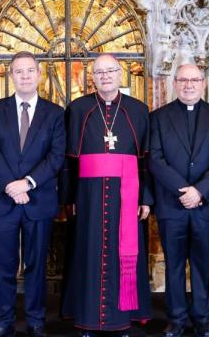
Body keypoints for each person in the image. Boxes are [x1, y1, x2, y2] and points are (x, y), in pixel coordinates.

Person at [60, 53, 152, 335]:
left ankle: (123, 317)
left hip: (127, 195)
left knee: (125, 252)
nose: (105, 76)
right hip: (88, 196)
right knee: (88, 252)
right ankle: (87, 317)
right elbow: (68, 161)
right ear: (93, 78)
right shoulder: (77, 109)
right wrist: (68, 199)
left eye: (110, 71)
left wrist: (146, 198)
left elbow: (147, 160)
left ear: (120, 73)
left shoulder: (138, 109)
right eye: (99, 73)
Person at [0, 52, 66, 337]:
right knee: (4, 267)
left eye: (30, 71)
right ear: (11, 75)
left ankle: (35, 321)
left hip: (38, 200)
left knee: (36, 265)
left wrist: (27, 183)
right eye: (20, 71)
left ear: (39, 74)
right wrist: (11, 185)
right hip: (3, 200)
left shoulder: (55, 113)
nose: (25, 76)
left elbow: (56, 157)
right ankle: (4, 321)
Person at [149, 63, 209, 337]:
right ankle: (176, 319)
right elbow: (155, 159)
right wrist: (184, 190)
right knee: (173, 263)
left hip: (205, 205)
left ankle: (202, 317)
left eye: (194, 80)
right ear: (175, 83)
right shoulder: (159, 117)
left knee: (200, 263)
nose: (189, 85)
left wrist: (200, 191)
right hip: (172, 205)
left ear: (203, 83)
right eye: (183, 80)